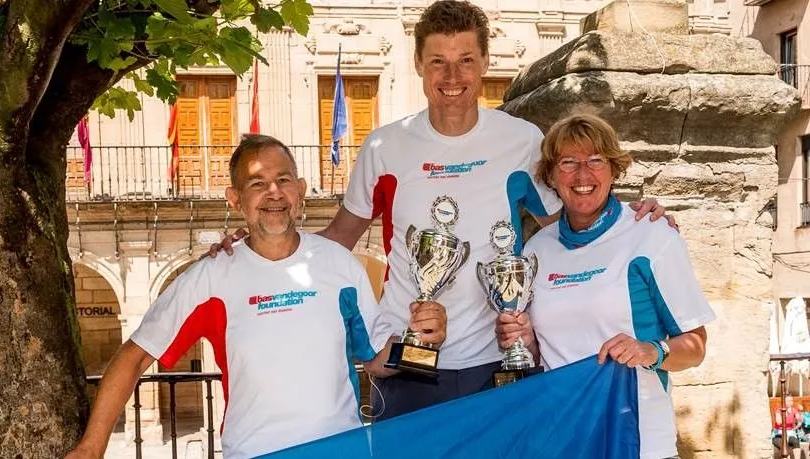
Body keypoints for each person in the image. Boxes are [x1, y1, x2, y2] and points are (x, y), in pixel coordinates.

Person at [208, 0, 674, 420]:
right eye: (439, 63)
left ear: (486, 63)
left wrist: (632, 218)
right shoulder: (385, 145)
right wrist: (256, 245)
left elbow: (574, 227)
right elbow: (337, 239)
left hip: (499, 359)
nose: (453, 78)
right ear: (418, 66)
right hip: (408, 361)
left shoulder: (522, 142)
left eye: (465, 61)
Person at [65, 135, 447, 459]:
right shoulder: (211, 277)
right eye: (257, 183)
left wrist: (423, 344)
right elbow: (133, 357)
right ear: (235, 198)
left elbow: (378, 361)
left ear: (300, 190)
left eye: (283, 180)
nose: (274, 193)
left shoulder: (339, 265)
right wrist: (90, 448)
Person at [496, 114, 714, 459]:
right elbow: (543, 354)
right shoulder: (537, 250)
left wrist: (652, 351)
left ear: (614, 170)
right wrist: (523, 339)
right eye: (568, 163)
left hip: (640, 442)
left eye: (596, 161)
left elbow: (696, 346)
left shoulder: (652, 234)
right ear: (550, 177)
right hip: (564, 441)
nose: (583, 175)